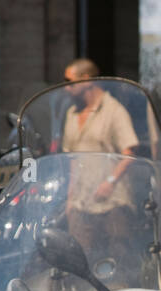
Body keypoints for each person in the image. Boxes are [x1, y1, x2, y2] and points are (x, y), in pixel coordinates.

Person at [59, 58, 141, 260]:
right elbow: (72, 159)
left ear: (86, 80)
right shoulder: (71, 114)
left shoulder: (114, 110)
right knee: (81, 259)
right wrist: (69, 200)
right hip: (82, 202)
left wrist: (110, 182)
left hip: (112, 202)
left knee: (116, 258)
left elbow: (129, 152)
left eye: (69, 81)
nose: (66, 87)